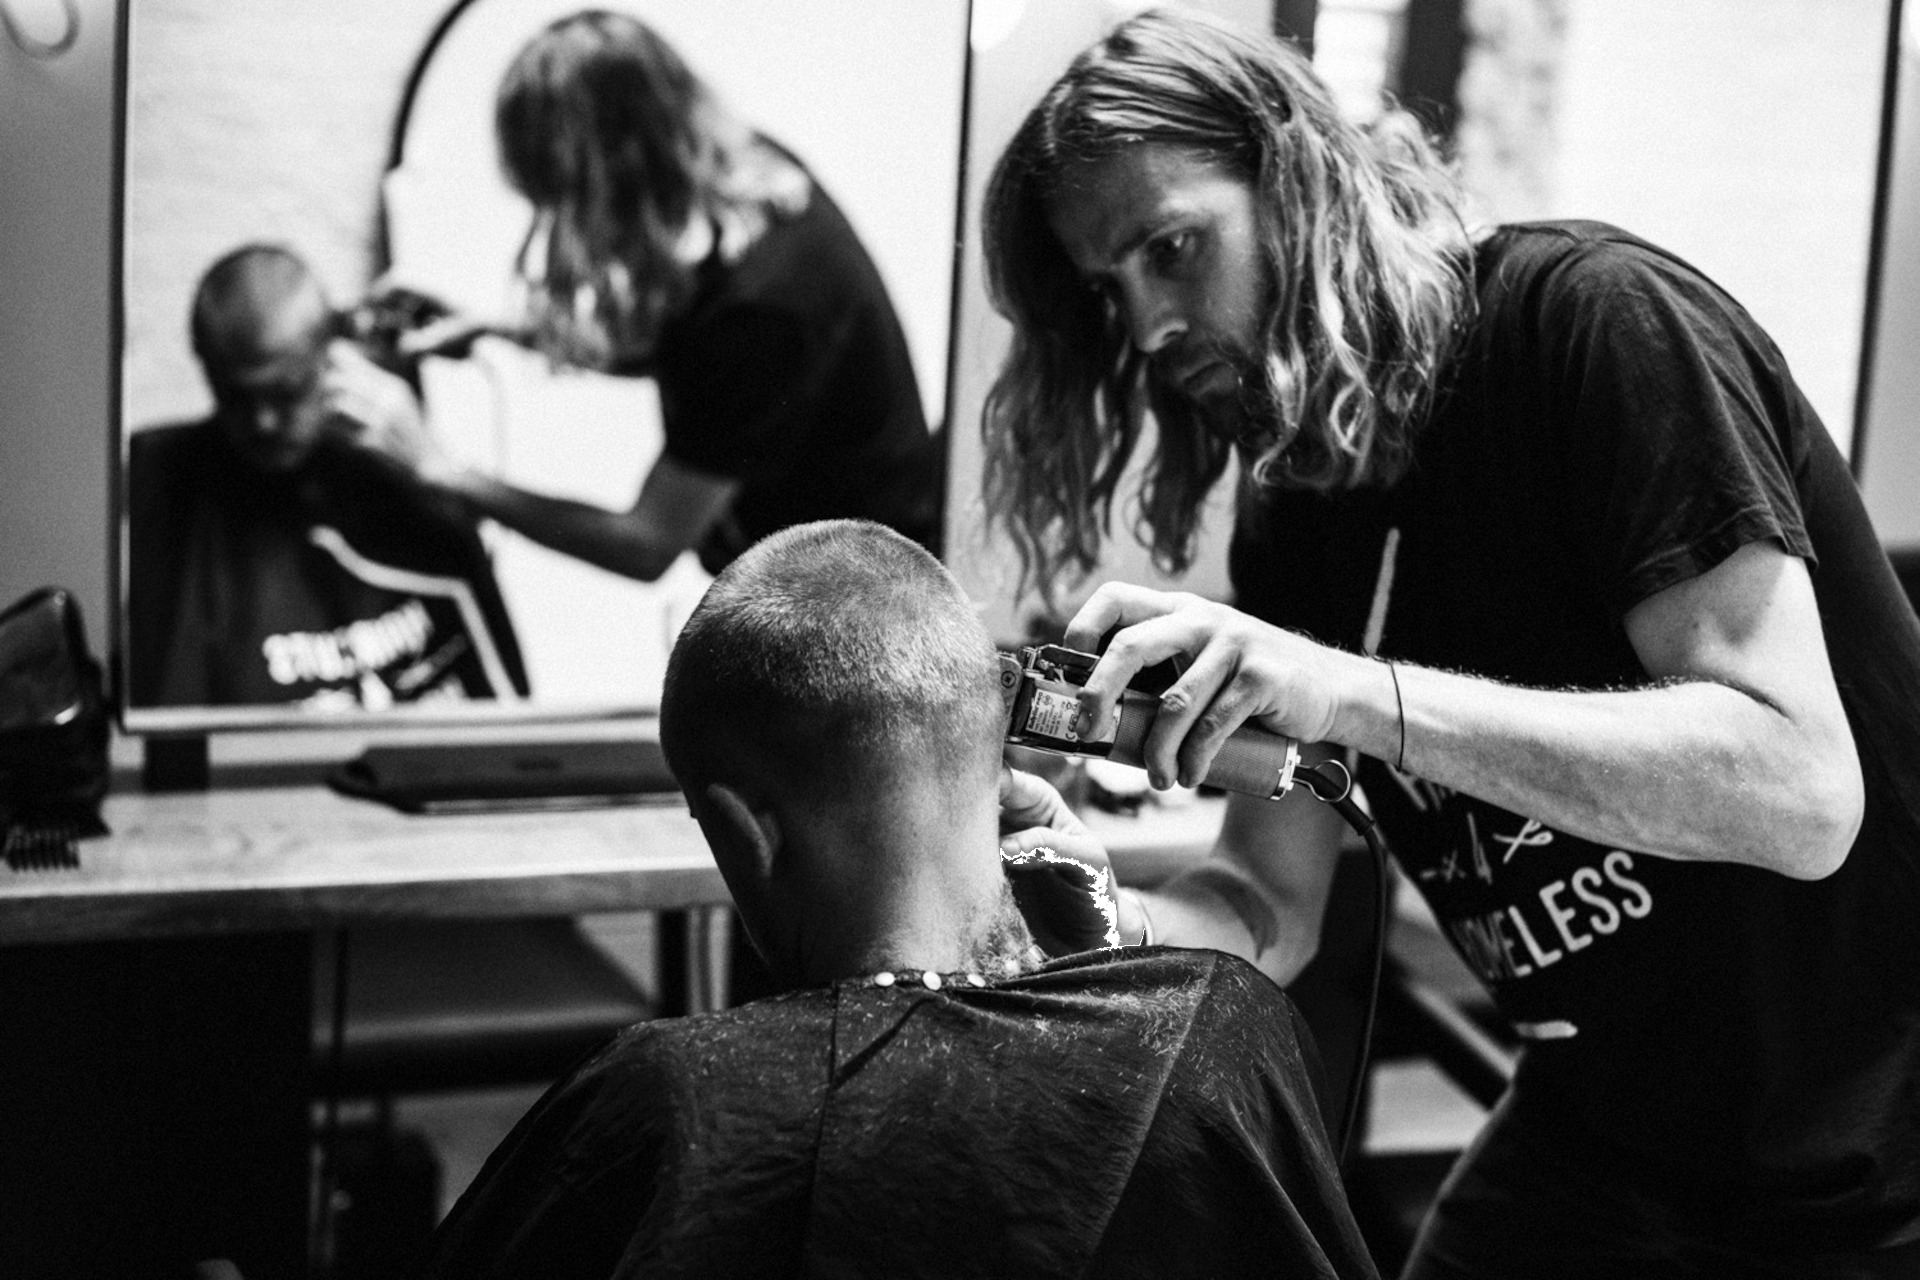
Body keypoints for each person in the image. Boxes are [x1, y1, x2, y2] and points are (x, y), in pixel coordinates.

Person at [981, 9, 1920, 1278]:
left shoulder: (1594, 327)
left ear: (1297, 174)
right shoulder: (1298, 511)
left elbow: (1802, 791)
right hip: (1609, 1122)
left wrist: (1354, 694)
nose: (1146, 326)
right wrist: (1070, 913)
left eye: (1173, 247)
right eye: (1111, 286)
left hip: (1879, 1136)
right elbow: (1269, 898)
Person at [418, 519, 1380, 1280]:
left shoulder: (665, 1107)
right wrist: (1107, 959)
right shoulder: (1223, 1033)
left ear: (744, 831)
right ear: (992, 772)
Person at [347, 10, 943, 582]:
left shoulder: (762, 309)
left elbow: (646, 542)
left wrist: (440, 471)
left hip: (862, 599)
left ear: (607, 183)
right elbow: (685, 338)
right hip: (829, 556)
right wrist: (502, 329)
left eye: (558, 202)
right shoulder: (748, 172)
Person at [126, 243, 528, 709]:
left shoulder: (398, 470)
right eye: (236, 397)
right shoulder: (165, 482)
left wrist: (435, 473)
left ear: (328, 356)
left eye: (287, 392)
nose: (264, 422)